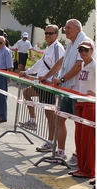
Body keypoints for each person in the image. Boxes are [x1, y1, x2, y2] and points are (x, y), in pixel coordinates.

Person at [39, 19, 94, 164]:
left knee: (79, 125)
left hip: (79, 92)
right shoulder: (71, 44)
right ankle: (61, 152)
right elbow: (61, 62)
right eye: (65, 27)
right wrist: (47, 76)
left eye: (69, 27)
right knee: (60, 119)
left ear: (77, 28)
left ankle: (78, 154)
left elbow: (78, 66)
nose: (66, 30)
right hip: (68, 90)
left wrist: (61, 79)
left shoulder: (85, 43)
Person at [18, 25, 65, 152]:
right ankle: (33, 121)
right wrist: (27, 72)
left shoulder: (56, 47)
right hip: (41, 83)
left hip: (49, 84)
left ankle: (51, 142)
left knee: (50, 114)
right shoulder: (49, 47)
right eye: (46, 33)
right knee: (26, 93)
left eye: (51, 33)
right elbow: (41, 63)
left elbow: (58, 66)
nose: (48, 35)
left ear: (56, 35)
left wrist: (53, 82)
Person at [67, 40, 95, 178]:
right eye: (81, 50)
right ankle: (81, 168)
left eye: (86, 50)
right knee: (79, 139)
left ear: (92, 51)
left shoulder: (95, 66)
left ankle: (88, 170)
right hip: (80, 104)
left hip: (90, 105)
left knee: (88, 140)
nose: (83, 52)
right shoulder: (83, 64)